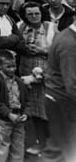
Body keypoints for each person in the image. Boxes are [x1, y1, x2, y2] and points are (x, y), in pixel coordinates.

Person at [16, 1, 53, 155]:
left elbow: (57, 52)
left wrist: (41, 50)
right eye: (30, 14)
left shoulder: (51, 28)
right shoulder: (21, 27)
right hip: (27, 74)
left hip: (47, 74)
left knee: (49, 110)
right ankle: (41, 142)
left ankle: (53, 144)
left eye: (36, 13)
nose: (34, 17)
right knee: (34, 110)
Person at [42, 22, 76, 162]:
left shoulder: (67, 37)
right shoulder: (69, 44)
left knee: (56, 148)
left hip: (59, 98)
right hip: (63, 101)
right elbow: (72, 85)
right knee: (69, 149)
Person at [0, 50, 28, 162]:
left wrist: (25, 113)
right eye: (8, 66)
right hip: (3, 121)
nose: (12, 69)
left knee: (18, 148)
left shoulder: (19, 81)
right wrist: (8, 114)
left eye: (14, 66)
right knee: (2, 148)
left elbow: (26, 100)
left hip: (18, 119)